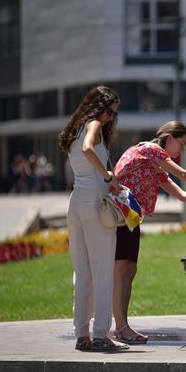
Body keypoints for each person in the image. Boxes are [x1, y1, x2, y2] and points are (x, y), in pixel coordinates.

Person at [111, 120, 186, 344]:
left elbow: (181, 195)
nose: (182, 149)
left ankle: (122, 326)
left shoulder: (154, 164)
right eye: (181, 144)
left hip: (129, 216)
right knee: (122, 269)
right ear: (168, 137)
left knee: (129, 269)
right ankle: (121, 328)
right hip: (121, 213)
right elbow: (183, 175)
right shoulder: (151, 150)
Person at [58, 86, 129, 352]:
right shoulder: (93, 126)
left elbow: (83, 155)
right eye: (109, 111)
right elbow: (89, 150)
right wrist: (109, 177)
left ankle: (82, 335)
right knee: (102, 271)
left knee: (83, 273)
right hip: (94, 202)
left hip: (76, 201)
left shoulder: (74, 128)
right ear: (97, 106)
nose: (111, 117)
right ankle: (100, 334)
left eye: (114, 114)